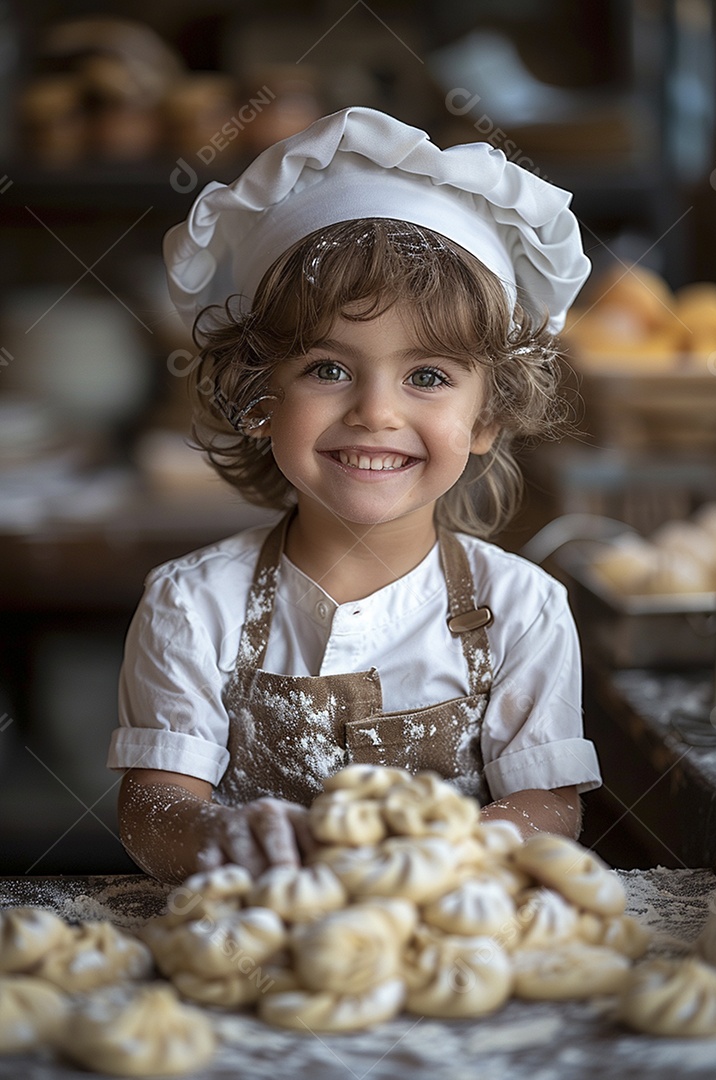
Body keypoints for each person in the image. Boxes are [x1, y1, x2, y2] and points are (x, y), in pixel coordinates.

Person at [109, 106, 602, 883]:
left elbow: (547, 803)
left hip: (445, 956)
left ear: (489, 415)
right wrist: (219, 838)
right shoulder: (190, 605)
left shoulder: (524, 609)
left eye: (429, 377)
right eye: (327, 369)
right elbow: (154, 808)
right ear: (259, 396)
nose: (376, 412)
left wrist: (451, 855)